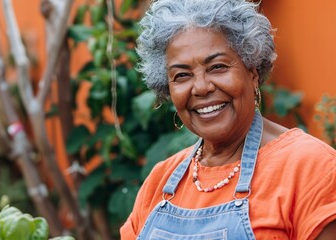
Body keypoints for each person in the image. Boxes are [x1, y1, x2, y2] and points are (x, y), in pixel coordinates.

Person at [120, 0, 336, 239]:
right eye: (182, 75)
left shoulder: (311, 167)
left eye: (217, 67)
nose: (201, 88)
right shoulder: (159, 181)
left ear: (252, 73)